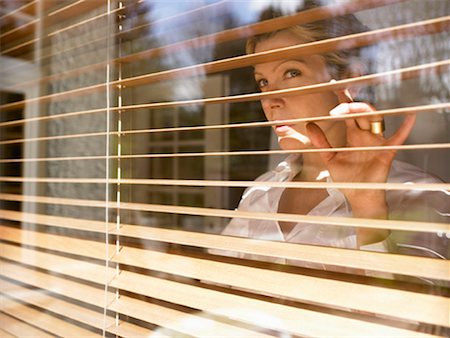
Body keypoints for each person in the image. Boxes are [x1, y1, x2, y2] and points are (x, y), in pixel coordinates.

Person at [212, 3, 449, 275]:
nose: (270, 100)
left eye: (291, 73)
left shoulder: (419, 196)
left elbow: (405, 315)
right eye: (263, 81)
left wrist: (368, 208)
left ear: (349, 78)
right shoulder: (260, 193)